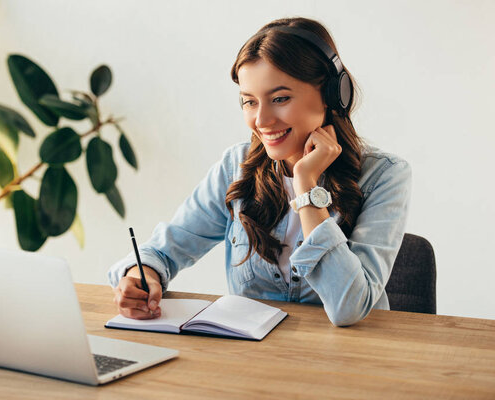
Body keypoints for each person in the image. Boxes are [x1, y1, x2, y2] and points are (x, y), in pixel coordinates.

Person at [108, 17, 411, 327]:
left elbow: (349, 307)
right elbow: (165, 249)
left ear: (332, 95)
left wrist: (306, 186)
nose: (262, 120)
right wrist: (141, 275)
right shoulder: (235, 166)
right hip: (255, 360)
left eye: (279, 99)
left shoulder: (384, 176)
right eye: (249, 102)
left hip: (354, 361)